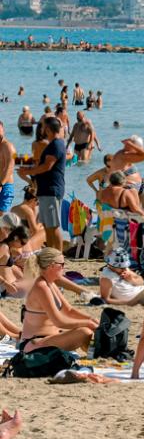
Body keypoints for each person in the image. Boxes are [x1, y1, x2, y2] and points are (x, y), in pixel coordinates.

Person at [17, 248, 96, 353]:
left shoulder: (50, 283)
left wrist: (91, 319)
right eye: (62, 264)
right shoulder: (41, 286)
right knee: (85, 331)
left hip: (48, 338)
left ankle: (93, 356)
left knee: (89, 330)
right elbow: (59, 321)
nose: (64, 267)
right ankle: (94, 356)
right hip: (33, 343)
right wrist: (87, 323)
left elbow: (69, 310)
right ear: (52, 266)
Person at [17, 115, 68, 251]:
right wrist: (28, 169)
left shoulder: (56, 144)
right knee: (47, 225)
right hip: (46, 189)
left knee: (53, 226)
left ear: (48, 129)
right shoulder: (54, 144)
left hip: (51, 189)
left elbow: (47, 166)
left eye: (44, 127)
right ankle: (52, 254)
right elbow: (43, 164)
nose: (42, 130)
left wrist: (29, 171)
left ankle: (58, 256)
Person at [0, 119, 15, 214]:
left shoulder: (8, 146)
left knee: (1, 220)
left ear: (3, 130)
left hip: (5, 186)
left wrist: (1, 184)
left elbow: (10, 166)